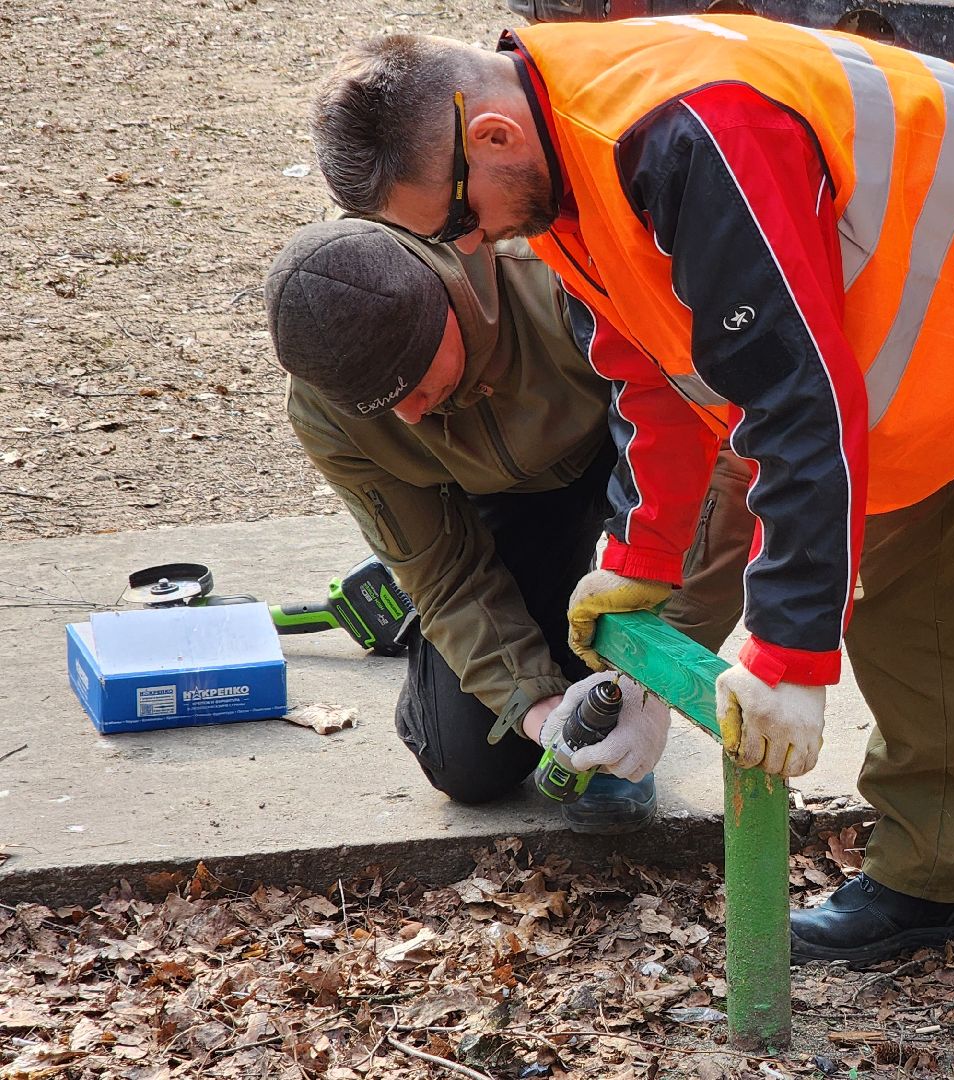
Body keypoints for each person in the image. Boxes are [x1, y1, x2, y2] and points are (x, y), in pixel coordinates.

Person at [309, 15, 954, 1046]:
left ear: (491, 135)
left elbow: (790, 402)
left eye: (456, 220)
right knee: (914, 625)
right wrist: (640, 561)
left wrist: (788, 656)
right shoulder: (564, 180)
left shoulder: (687, 135)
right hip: (917, 346)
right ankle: (929, 877)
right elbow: (654, 375)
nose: (468, 245)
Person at [266, 218, 753, 832]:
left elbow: (732, 464)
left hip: (636, 454)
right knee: (470, 764)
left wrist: (649, 680)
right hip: (508, 501)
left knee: (619, 668)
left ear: (445, 305)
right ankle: (422, 581)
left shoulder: (558, 277)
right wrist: (542, 712)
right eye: (381, 408)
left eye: (412, 383)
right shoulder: (324, 409)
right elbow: (444, 576)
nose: (410, 418)